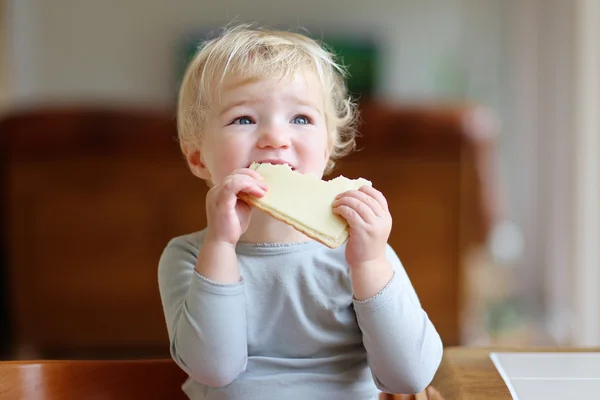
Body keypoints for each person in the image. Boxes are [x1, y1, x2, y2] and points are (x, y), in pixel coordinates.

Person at [158, 23, 443, 400]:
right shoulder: (189, 257)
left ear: (327, 149)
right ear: (198, 157)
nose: (276, 137)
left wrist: (370, 264)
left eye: (301, 119)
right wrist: (221, 246)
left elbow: (410, 377)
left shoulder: (361, 250)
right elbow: (215, 368)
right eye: (243, 118)